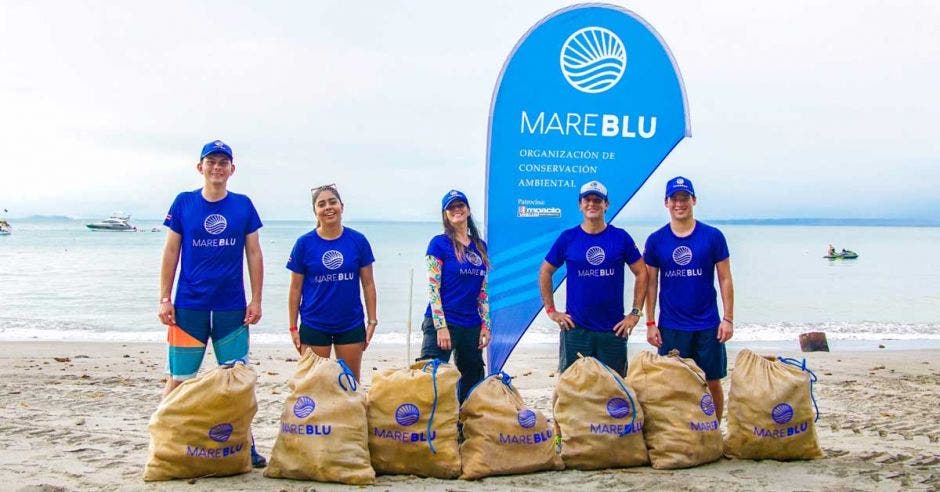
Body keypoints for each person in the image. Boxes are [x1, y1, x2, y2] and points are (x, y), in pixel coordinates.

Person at [157, 139, 266, 467]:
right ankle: (163, 442)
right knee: (179, 377)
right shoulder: (184, 203)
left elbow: (254, 253)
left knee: (237, 379)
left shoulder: (243, 205)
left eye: (223, 162)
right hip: (189, 306)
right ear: (200, 167)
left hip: (231, 308)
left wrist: (256, 299)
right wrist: (165, 297)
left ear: (232, 169)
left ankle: (246, 445)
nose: (217, 167)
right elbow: (171, 251)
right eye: (211, 161)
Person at [644, 176, 734, 421]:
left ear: (694, 200)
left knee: (712, 380)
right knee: (672, 381)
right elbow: (651, 284)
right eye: (674, 199)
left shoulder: (713, 236)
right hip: (672, 325)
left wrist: (728, 319)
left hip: (708, 324)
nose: (679, 204)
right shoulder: (656, 240)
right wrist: (650, 323)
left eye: (685, 198)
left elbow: (725, 278)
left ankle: (713, 428)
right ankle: (678, 430)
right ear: (666, 202)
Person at [539, 180, 648, 377]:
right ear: (580, 205)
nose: (592, 204)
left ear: (606, 204)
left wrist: (634, 314)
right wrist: (552, 311)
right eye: (587, 200)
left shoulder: (620, 237)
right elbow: (545, 271)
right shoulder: (568, 238)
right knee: (574, 390)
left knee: (614, 393)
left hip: (613, 330)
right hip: (576, 330)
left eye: (597, 200)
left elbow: (642, 273)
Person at [286, 185, 377, 382]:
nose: (328, 207)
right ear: (315, 211)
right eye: (321, 204)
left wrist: (372, 321)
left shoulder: (358, 241)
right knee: (314, 386)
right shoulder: (304, 244)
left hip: (350, 324)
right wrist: (293, 327)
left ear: (341, 206)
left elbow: (368, 284)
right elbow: (295, 288)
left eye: (332, 202)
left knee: (350, 384)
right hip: (314, 324)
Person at [419, 190, 490, 404]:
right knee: (431, 379)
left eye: (461, 205)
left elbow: (483, 291)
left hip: (471, 323)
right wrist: (441, 326)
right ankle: (431, 432)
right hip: (443, 322)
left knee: (472, 382)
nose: (457, 210)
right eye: (451, 207)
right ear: (445, 214)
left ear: (468, 210)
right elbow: (433, 288)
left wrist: (486, 325)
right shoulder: (438, 244)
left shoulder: (480, 246)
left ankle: (463, 428)